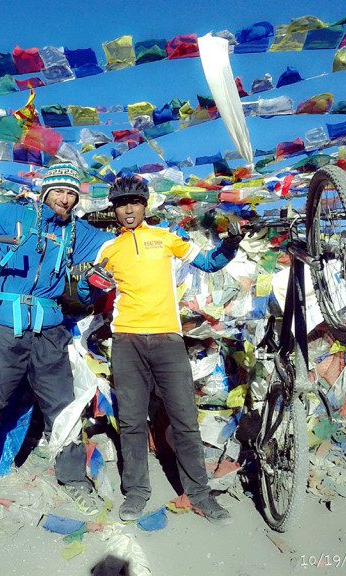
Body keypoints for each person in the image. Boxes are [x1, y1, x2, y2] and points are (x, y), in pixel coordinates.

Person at [0, 162, 115, 535]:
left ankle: (75, 481)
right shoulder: (15, 215)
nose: (64, 199)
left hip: (50, 331)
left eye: (71, 194)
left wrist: (152, 243)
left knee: (64, 410)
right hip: (5, 328)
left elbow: (117, 247)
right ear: (46, 191)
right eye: (59, 191)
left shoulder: (78, 233)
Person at [77, 175, 242, 525]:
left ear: (145, 205)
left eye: (135, 202)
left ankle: (199, 494)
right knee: (132, 421)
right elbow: (88, 292)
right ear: (114, 210)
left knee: (185, 419)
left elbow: (209, 263)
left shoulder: (167, 238)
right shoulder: (108, 249)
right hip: (127, 343)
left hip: (168, 340)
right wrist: (87, 282)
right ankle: (136, 491)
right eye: (122, 204)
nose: (129, 210)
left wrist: (231, 245)